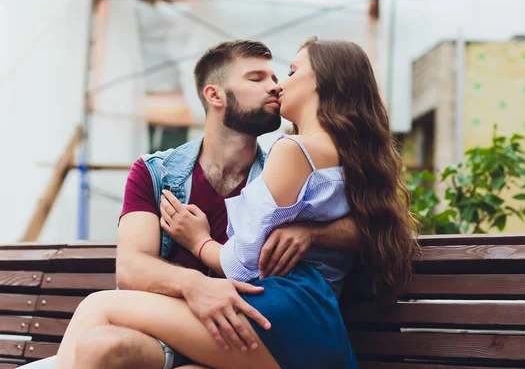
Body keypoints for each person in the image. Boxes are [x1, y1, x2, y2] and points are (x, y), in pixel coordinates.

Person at [52, 37, 417, 369]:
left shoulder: (287, 156)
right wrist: (195, 286)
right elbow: (130, 270)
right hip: (277, 322)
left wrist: (202, 241)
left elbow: (245, 262)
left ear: (322, 80)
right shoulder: (158, 172)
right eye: (258, 78)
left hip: (272, 317)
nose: (277, 84)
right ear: (215, 95)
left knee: (96, 306)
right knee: (103, 343)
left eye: (287, 73)